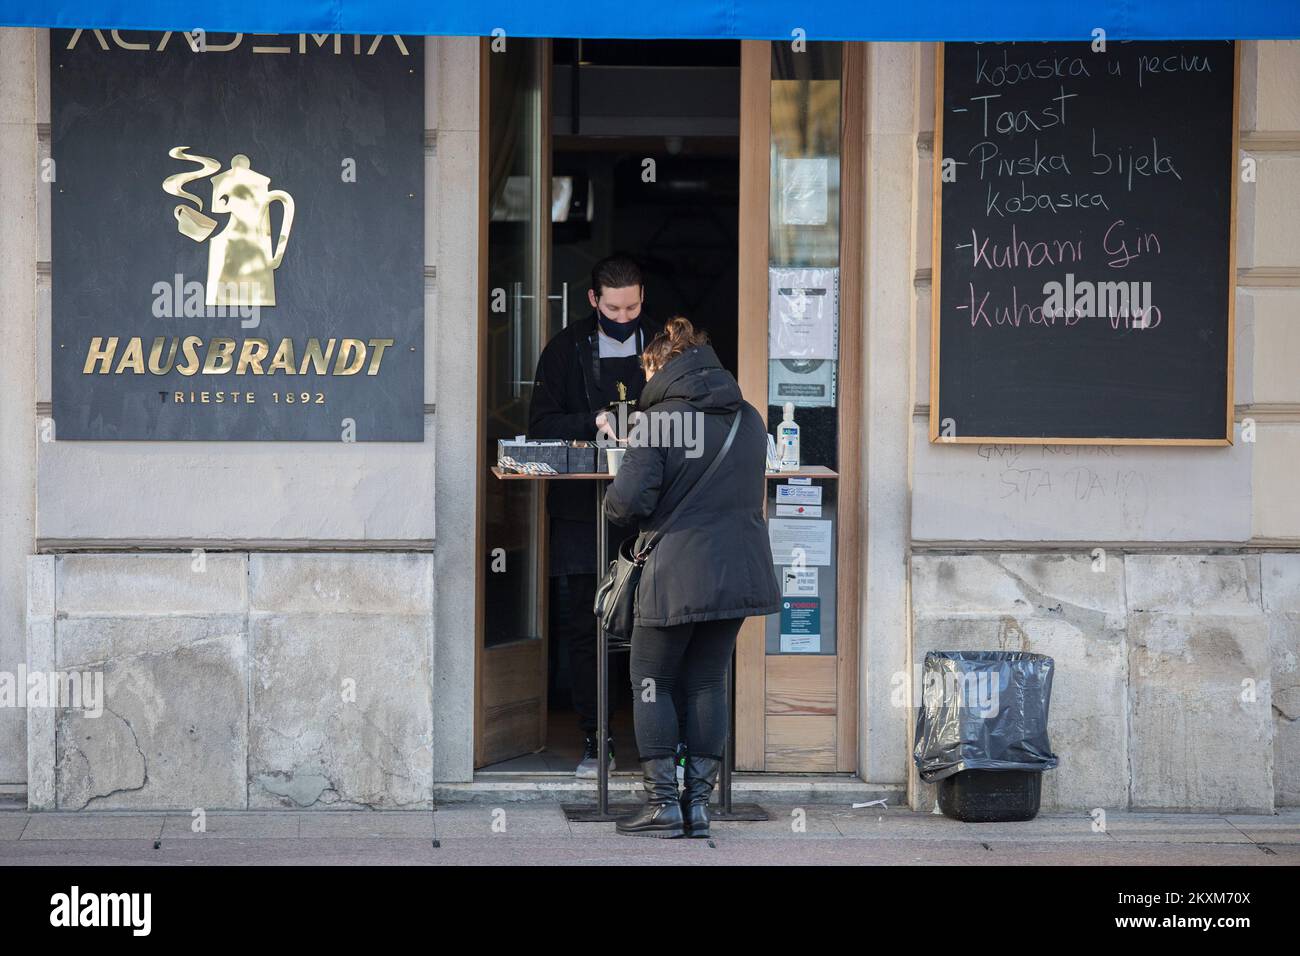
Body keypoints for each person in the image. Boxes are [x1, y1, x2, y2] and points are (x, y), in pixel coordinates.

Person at [604, 317, 781, 838]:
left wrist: (615, 503)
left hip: (675, 572)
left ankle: (662, 804)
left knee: (651, 680)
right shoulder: (749, 418)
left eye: (648, 369)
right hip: (740, 570)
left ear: (660, 364)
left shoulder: (658, 420)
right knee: (707, 681)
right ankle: (697, 806)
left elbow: (628, 501)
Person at [528, 254, 663, 777]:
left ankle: (657, 745)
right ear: (593, 301)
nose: (624, 316)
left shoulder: (663, 347)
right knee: (588, 628)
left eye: (632, 306)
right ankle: (595, 737)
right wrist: (593, 419)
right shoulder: (564, 349)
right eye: (613, 307)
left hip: (650, 512)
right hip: (581, 516)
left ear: (643, 297)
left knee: (653, 626)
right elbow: (539, 424)